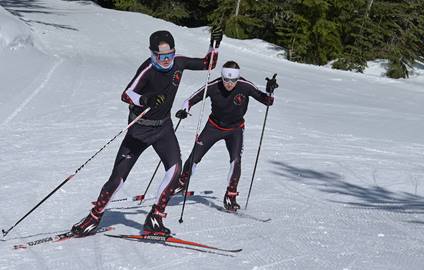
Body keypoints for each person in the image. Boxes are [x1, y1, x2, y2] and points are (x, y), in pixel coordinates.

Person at [70, 28, 223, 237]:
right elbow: (126, 94)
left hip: (163, 128)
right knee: (117, 178)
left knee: (175, 170)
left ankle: (155, 218)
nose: (167, 60)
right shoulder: (148, 69)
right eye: (162, 56)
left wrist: (214, 45)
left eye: (170, 54)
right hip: (139, 130)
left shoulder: (178, 63)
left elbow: (209, 65)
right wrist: (145, 99)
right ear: (153, 54)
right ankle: (93, 218)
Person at [174, 60, 275, 212]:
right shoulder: (214, 86)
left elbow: (267, 101)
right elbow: (190, 100)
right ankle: (181, 182)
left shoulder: (245, 85)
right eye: (226, 80)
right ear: (221, 77)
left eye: (233, 80)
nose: (229, 84)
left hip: (235, 129)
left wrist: (270, 91)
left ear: (237, 78)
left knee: (236, 160)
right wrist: (184, 109)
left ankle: (230, 196)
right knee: (195, 156)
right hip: (214, 126)